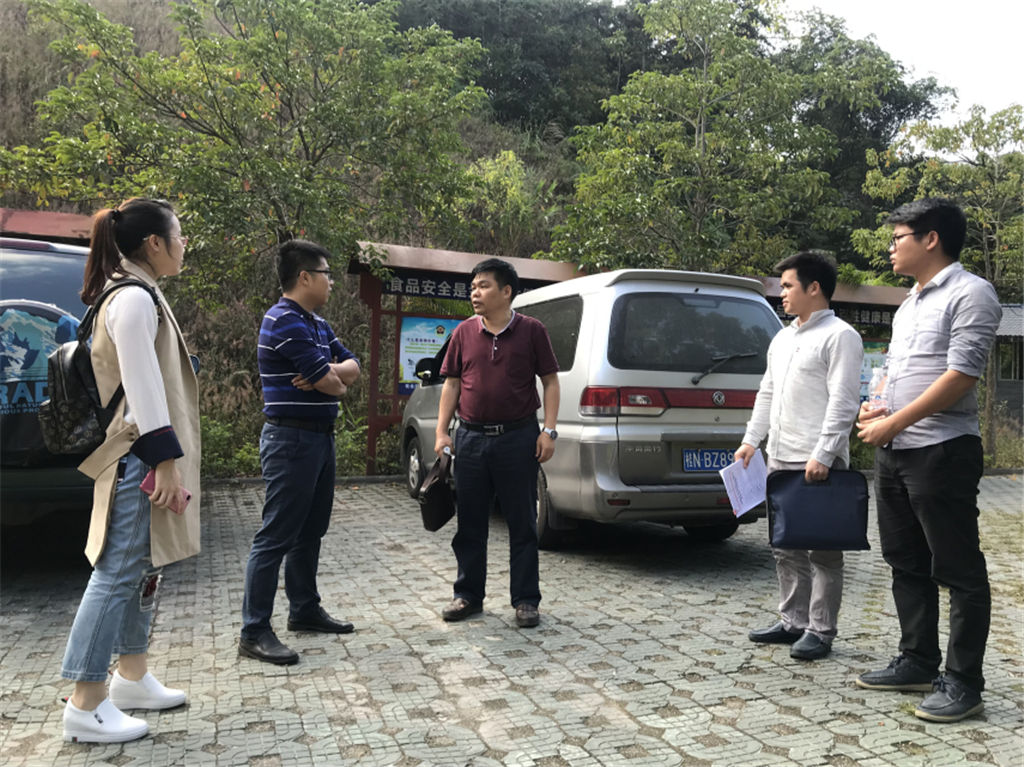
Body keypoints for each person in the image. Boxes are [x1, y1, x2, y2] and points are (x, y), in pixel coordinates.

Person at [855, 198, 1002, 723]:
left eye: (898, 237)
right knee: (905, 561)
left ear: (931, 238)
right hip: (896, 452)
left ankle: (964, 683)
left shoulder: (971, 293)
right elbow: (897, 372)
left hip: (942, 451)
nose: (890, 248)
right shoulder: (908, 304)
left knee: (958, 569)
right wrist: (877, 406)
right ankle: (917, 660)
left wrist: (895, 422)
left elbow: (961, 376)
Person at [61, 197, 201, 743]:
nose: (184, 244)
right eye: (179, 235)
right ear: (154, 244)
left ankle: (132, 676)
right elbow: (143, 388)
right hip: (139, 458)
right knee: (118, 571)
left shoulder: (132, 290)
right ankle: (86, 701)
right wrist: (165, 463)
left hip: (136, 455)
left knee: (143, 566)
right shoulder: (134, 298)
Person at [736, 252, 863, 661]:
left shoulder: (841, 336)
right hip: (779, 457)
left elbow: (844, 402)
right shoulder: (783, 338)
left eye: (788, 286)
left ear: (814, 288)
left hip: (817, 462)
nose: (782, 294)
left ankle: (821, 631)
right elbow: (767, 392)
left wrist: (824, 453)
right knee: (785, 544)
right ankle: (793, 621)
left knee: (822, 549)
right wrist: (751, 440)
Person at [239, 239, 361, 665]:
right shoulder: (284, 321)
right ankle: (254, 631)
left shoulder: (317, 323)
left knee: (311, 531)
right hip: (291, 440)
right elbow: (333, 384)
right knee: (276, 535)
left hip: (320, 438)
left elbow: (351, 368)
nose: (332, 282)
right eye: (326, 274)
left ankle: (304, 609)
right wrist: (332, 378)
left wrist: (331, 374)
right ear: (305, 277)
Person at [434, 258, 560, 628]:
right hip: (470, 438)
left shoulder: (532, 331)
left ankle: (526, 600)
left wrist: (549, 431)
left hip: (518, 438)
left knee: (522, 522)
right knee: (470, 523)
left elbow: (550, 381)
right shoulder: (463, 333)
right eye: (473, 286)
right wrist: (442, 432)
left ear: (506, 292)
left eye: (484, 285)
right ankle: (467, 595)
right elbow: (451, 384)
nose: (475, 293)